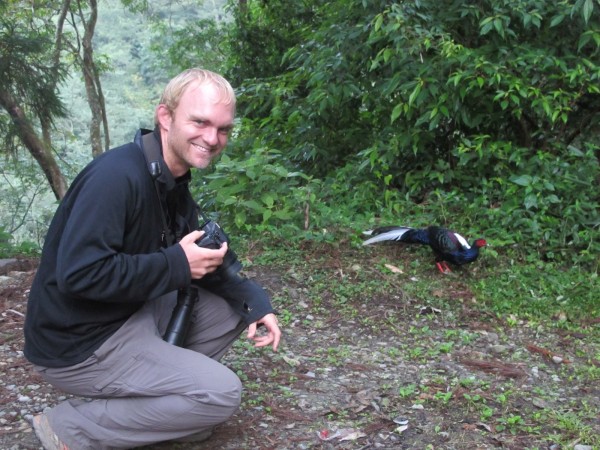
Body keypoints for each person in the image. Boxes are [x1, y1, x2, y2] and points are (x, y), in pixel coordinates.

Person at [23, 68, 281, 449]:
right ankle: (70, 428)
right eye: (200, 122)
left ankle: (163, 410)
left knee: (232, 310)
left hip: (127, 314)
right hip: (80, 341)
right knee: (223, 393)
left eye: (223, 129)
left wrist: (256, 303)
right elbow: (80, 274)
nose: (212, 138)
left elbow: (200, 259)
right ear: (166, 117)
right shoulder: (115, 178)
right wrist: (177, 263)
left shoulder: (171, 181)